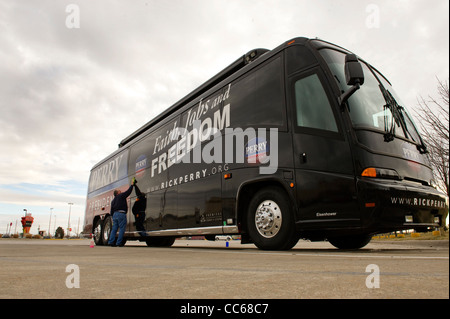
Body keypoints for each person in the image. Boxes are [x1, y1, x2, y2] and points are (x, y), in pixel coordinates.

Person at [108, 178, 136, 247]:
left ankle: (111, 242)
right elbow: (128, 192)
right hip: (121, 214)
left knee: (114, 229)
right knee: (122, 229)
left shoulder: (113, 201)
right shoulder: (121, 196)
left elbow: (111, 210)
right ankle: (118, 243)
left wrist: (112, 216)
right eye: (119, 190)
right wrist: (132, 185)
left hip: (115, 215)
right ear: (118, 193)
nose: (121, 191)